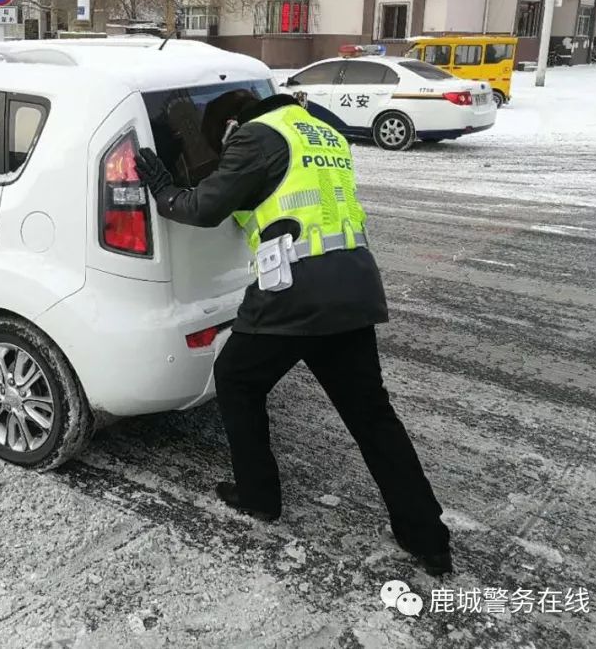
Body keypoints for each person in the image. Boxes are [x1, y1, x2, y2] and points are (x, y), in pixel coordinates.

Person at [134, 91, 453, 576]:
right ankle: (427, 536)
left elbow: (204, 208)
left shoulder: (257, 138)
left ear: (237, 126)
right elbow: (278, 202)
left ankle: (258, 495)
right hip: (353, 284)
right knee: (372, 417)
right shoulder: (320, 133)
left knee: (237, 380)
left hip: (296, 292)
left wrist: (165, 191)